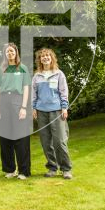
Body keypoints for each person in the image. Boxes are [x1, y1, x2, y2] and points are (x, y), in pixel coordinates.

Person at [32, 48, 73, 179]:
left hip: (57, 111)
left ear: (52, 58)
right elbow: (34, 94)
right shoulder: (37, 76)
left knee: (60, 141)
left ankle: (66, 169)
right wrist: (33, 108)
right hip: (41, 111)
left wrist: (64, 107)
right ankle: (52, 167)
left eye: (47, 56)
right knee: (46, 142)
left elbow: (63, 92)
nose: (45, 58)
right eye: (42, 56)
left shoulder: (59, 74)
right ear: (40, 60)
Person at [0, 43, 32, 180]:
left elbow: (26, 88)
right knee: (5, 137)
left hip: (18, 101)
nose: (9, 53)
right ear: (5, 54)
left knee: (21, 137)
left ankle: (23, 171)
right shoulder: (2, 69)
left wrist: (23, 107)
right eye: (7, 51)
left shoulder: (22, 68)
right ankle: (10, 169)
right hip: (4, 101)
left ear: (16, 52)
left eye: (12, 51)